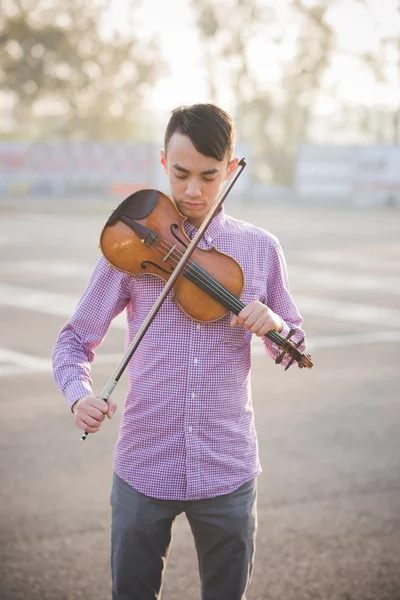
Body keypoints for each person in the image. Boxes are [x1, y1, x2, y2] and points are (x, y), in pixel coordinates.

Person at [52, 103, 306, 600]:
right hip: (145, 461)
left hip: (228, 462)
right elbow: (73, 341)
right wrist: (78, 394)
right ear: (163, 162)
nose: (192, 191)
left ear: (231, 170)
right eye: (181, 173)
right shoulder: (132, 249)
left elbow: (294, 348)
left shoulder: (260, 249)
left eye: (209, 177)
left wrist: (275, 325)